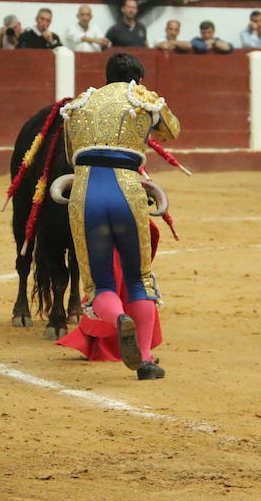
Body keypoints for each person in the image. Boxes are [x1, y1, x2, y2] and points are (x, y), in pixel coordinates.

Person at [61, 52, 180, 380]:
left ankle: (117, 321)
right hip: (127, 191)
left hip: (86, 194)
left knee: (100, 284)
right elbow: (172, 130)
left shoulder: (81, 103)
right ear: (137, 79)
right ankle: (144, 360)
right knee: (138, 279)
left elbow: (71, 155)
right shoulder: (141, 98)